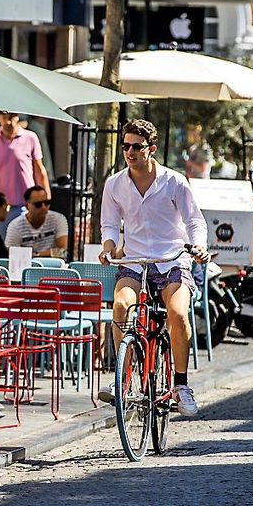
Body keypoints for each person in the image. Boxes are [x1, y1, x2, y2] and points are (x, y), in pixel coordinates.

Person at [97, 119, 209, 416]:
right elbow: (109, 223)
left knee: (178, 312)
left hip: (172, 258)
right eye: (125, 146)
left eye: (136, 146)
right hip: (134, 260)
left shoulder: (174, 181)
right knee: (120, 305)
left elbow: (194, 221)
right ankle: (122, 379)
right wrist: (108, 247)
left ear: (151, 149)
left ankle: (182, 385)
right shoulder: (115, 184)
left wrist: (198, 246)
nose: (130, 152)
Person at [0, 111, 50, 239]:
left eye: (12, 117)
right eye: (5, 117)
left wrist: (46, 201)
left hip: (26, 205)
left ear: (17, 117)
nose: (9, 122)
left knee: (25, 246)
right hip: (0, 208)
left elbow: (39, 170)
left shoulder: (30, 138)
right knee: (2, 247)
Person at [5, 185, 69, 257]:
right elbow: (11, 253)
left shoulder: (58, 219)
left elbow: (63, 251)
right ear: (27, 206)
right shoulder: (15, 226)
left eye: (46, 203)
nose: (43, 207)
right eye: (38, 204)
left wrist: (34, 255)